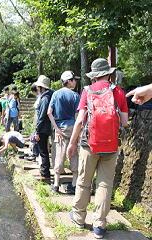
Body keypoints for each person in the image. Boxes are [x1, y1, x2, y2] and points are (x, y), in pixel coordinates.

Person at [67, 58, 129, 239]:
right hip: (110, 145)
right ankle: (100, 224)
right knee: (104, 184)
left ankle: (78, 216)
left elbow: (80, 121)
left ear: (93, 75)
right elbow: (124, 123)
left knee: (84, 181)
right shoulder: (118, 92)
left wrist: (72, 143)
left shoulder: (87, 91)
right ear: (109, 73)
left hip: (89, 144)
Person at [47, 71, 80, 194]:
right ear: (69, 81)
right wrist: (79, 131)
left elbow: (49, 112)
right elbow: (78, 115)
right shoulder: (76, 96)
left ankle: (56, 184)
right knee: (74, 153)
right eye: (74, 80)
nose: (75, 82)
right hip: (72, 127)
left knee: (59, 154)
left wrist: (56, 128)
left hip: (60, 127)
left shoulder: (56, 94)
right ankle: (74, 184)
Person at [34, 75, 54, 179]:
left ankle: (45, 172)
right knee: (44, 150)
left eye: (38, 86)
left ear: (41, 87)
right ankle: (45, 170)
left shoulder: (45, 98)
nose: (37, 88)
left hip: (43, 128)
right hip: (47, 126)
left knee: (43, 151)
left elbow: (42, 115)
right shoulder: (50, 95)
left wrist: (37, 131)